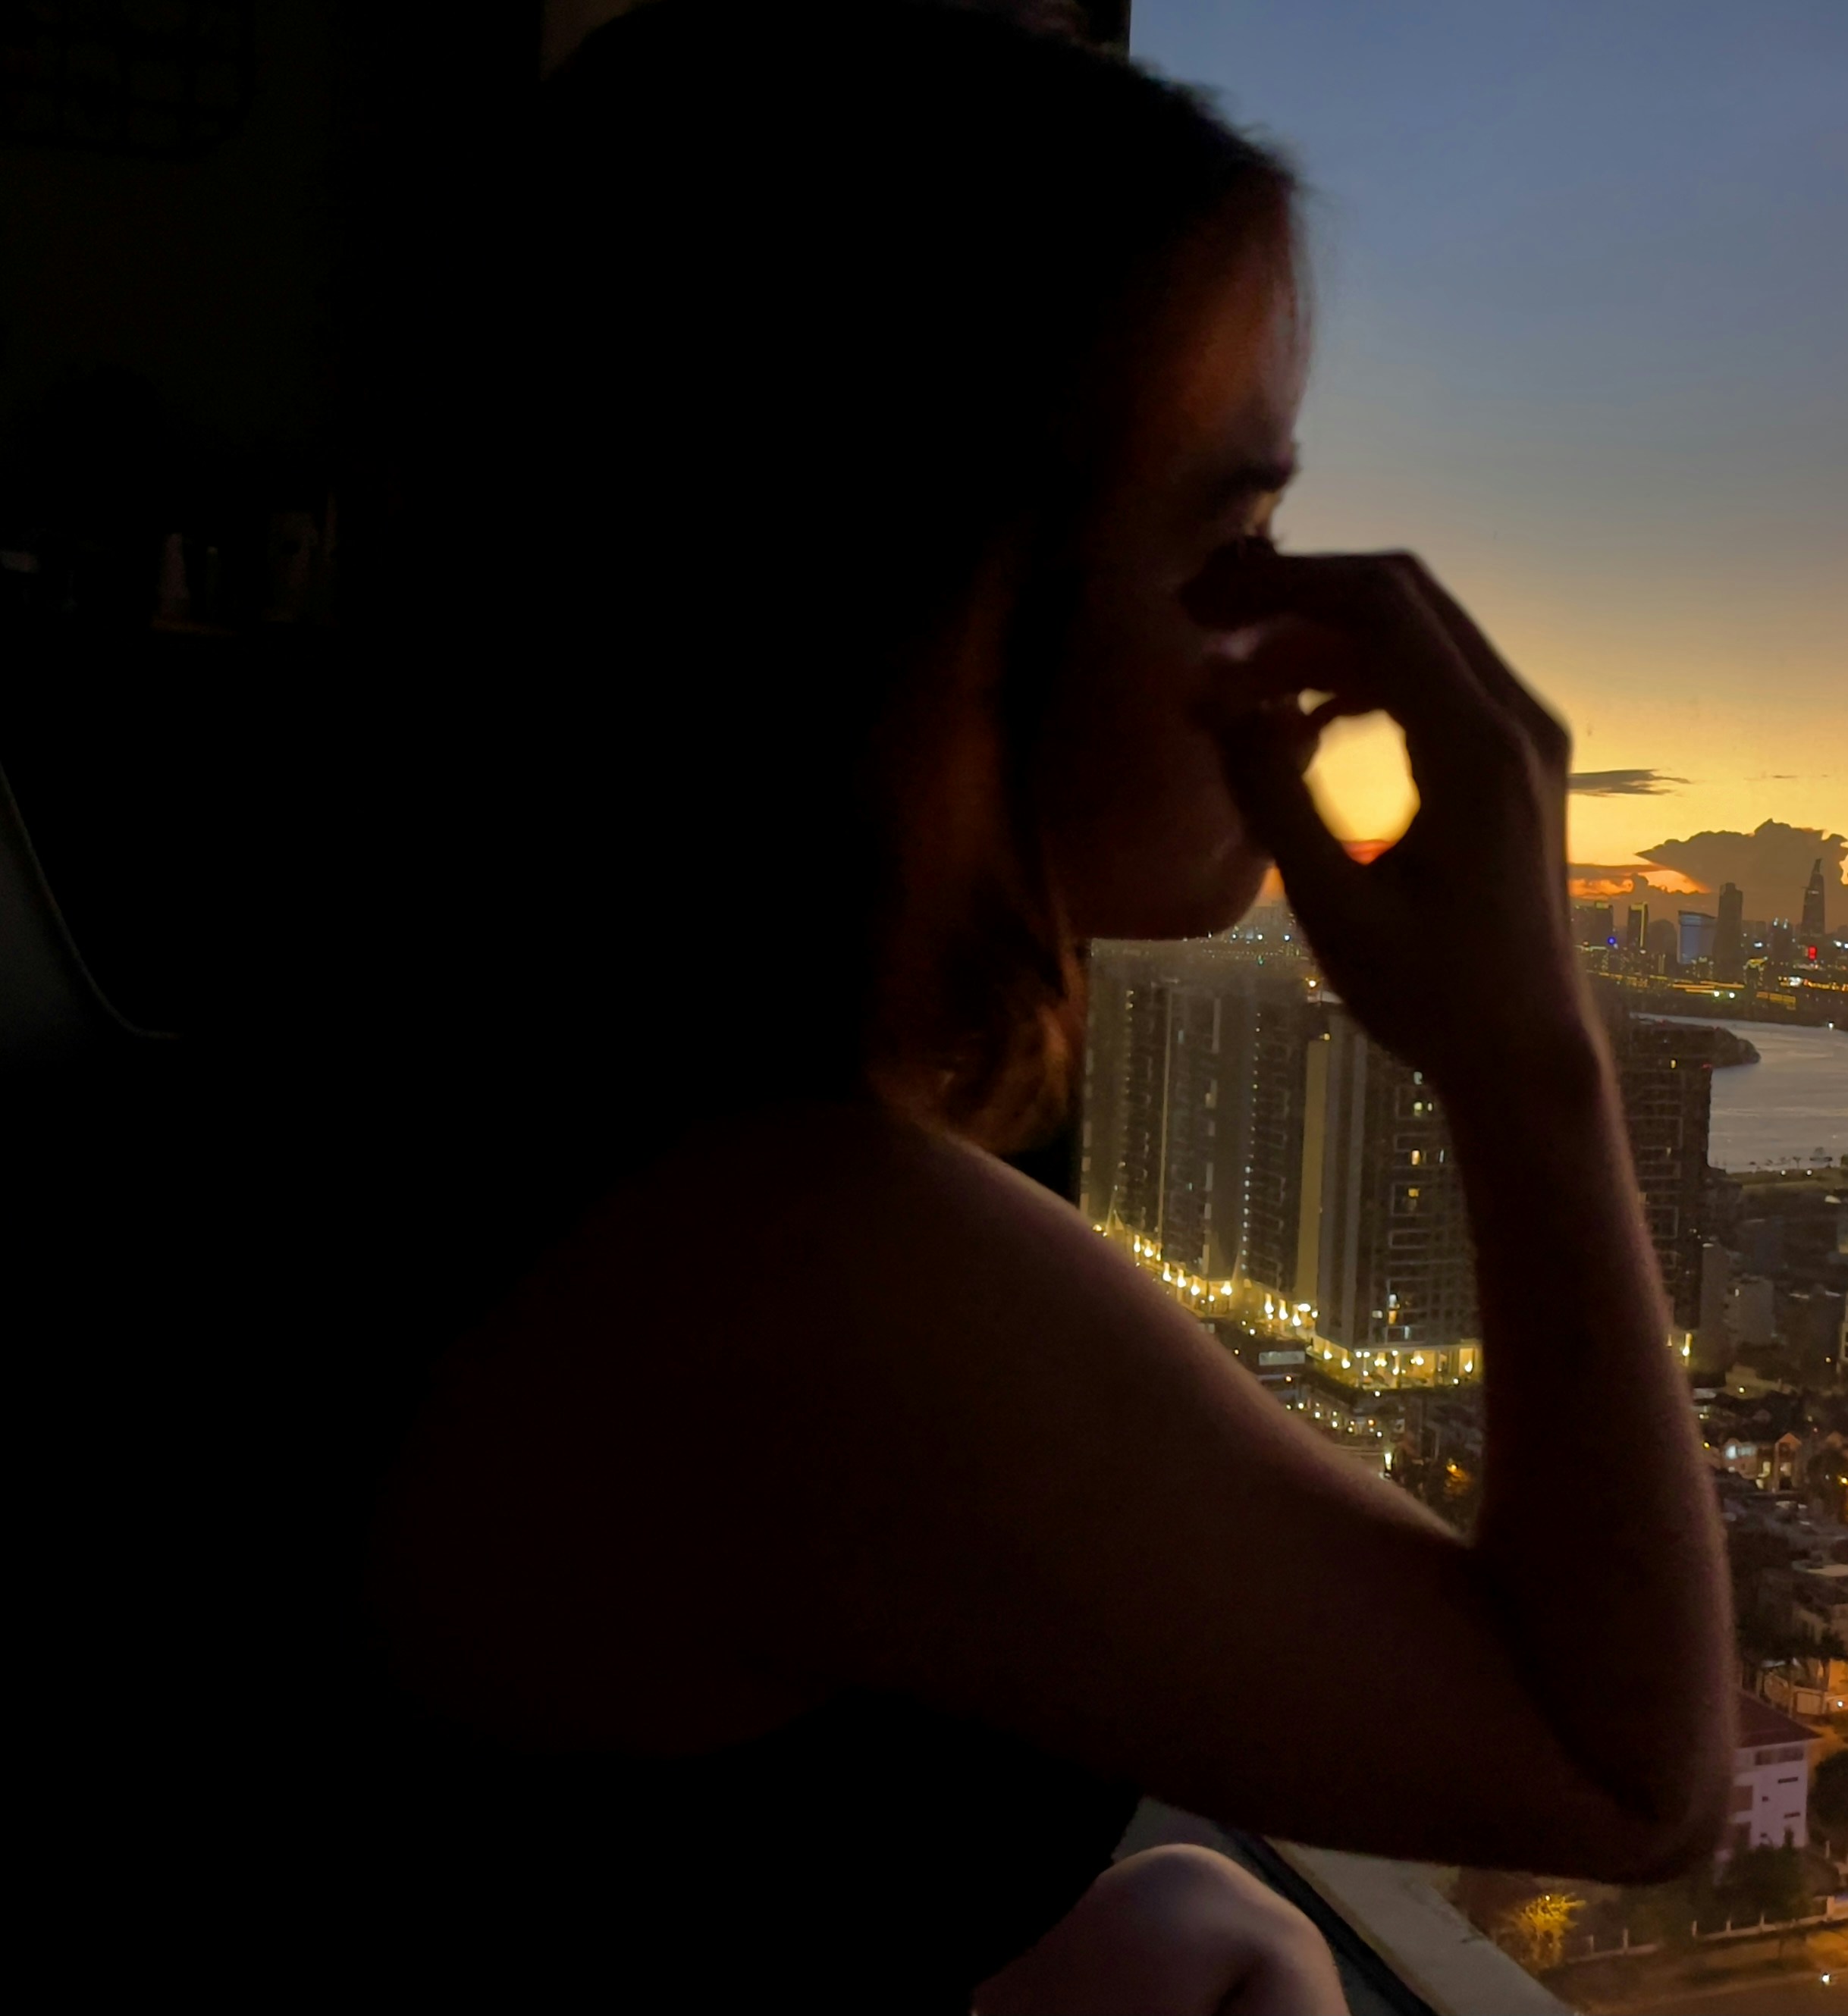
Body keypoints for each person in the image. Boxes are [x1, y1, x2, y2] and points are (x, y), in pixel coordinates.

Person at [251, 2, 1732, 2005]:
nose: (1291, 625)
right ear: (935, 589)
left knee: (1222, 1932)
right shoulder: (805, 1270)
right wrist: (1527, 1055)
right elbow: (1621, 1771)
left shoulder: (510, 1056)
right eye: (1227, 531)